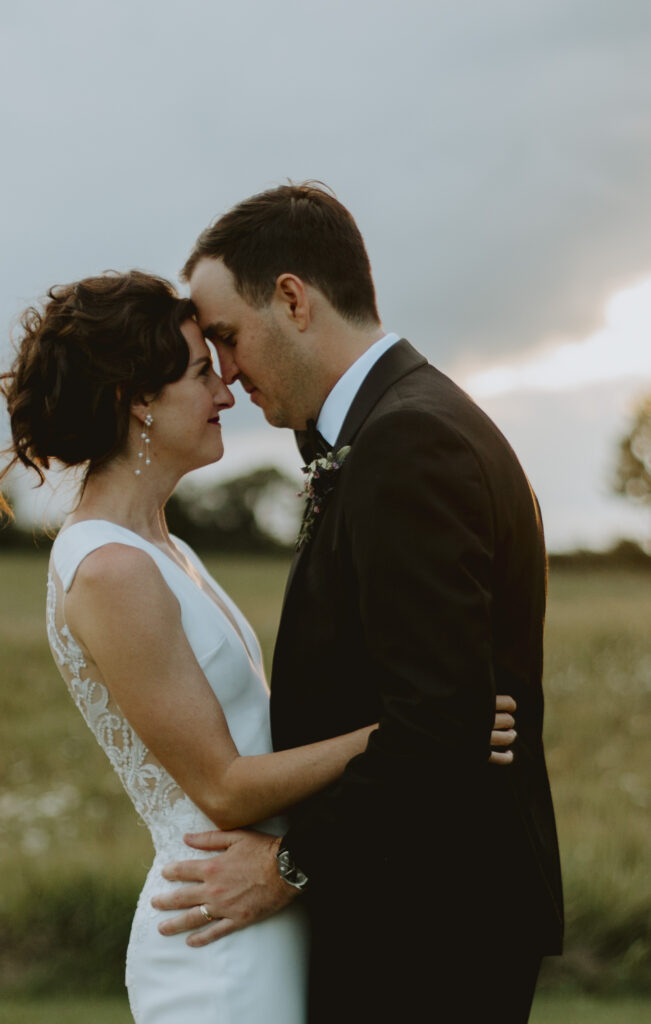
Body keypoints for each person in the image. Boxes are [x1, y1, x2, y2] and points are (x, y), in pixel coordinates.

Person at [0, 269, 518, 1024]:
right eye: (203, 373)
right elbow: (224, 787)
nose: (226, 394)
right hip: (213, 931)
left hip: (260, 905)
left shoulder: (166, 549)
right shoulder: (109, 569)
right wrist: (420, 728)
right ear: (137, 399)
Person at [151, 183, 564, 1024]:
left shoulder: (407, 440)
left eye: (227, 336)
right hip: (416, 911)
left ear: (293, 300)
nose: (224, 371)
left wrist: (288, 867)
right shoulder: (397, 424)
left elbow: (439, 725)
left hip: (428, 929)